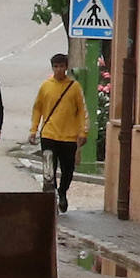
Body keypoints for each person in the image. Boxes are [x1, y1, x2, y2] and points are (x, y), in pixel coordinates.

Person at [28, 52, 88, 214]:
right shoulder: (46, 86)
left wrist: (83, 132)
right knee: (49, 169)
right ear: (52, 67)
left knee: (68, 169)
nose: (59, 70)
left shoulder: (74, 87)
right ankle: (52, 194)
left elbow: (82, 110)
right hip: (49, 134)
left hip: (69, 136)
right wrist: (33, 130)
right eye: (56, 67)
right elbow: (37, 108)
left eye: (62, 66)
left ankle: (62, 191)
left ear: (66, 67)